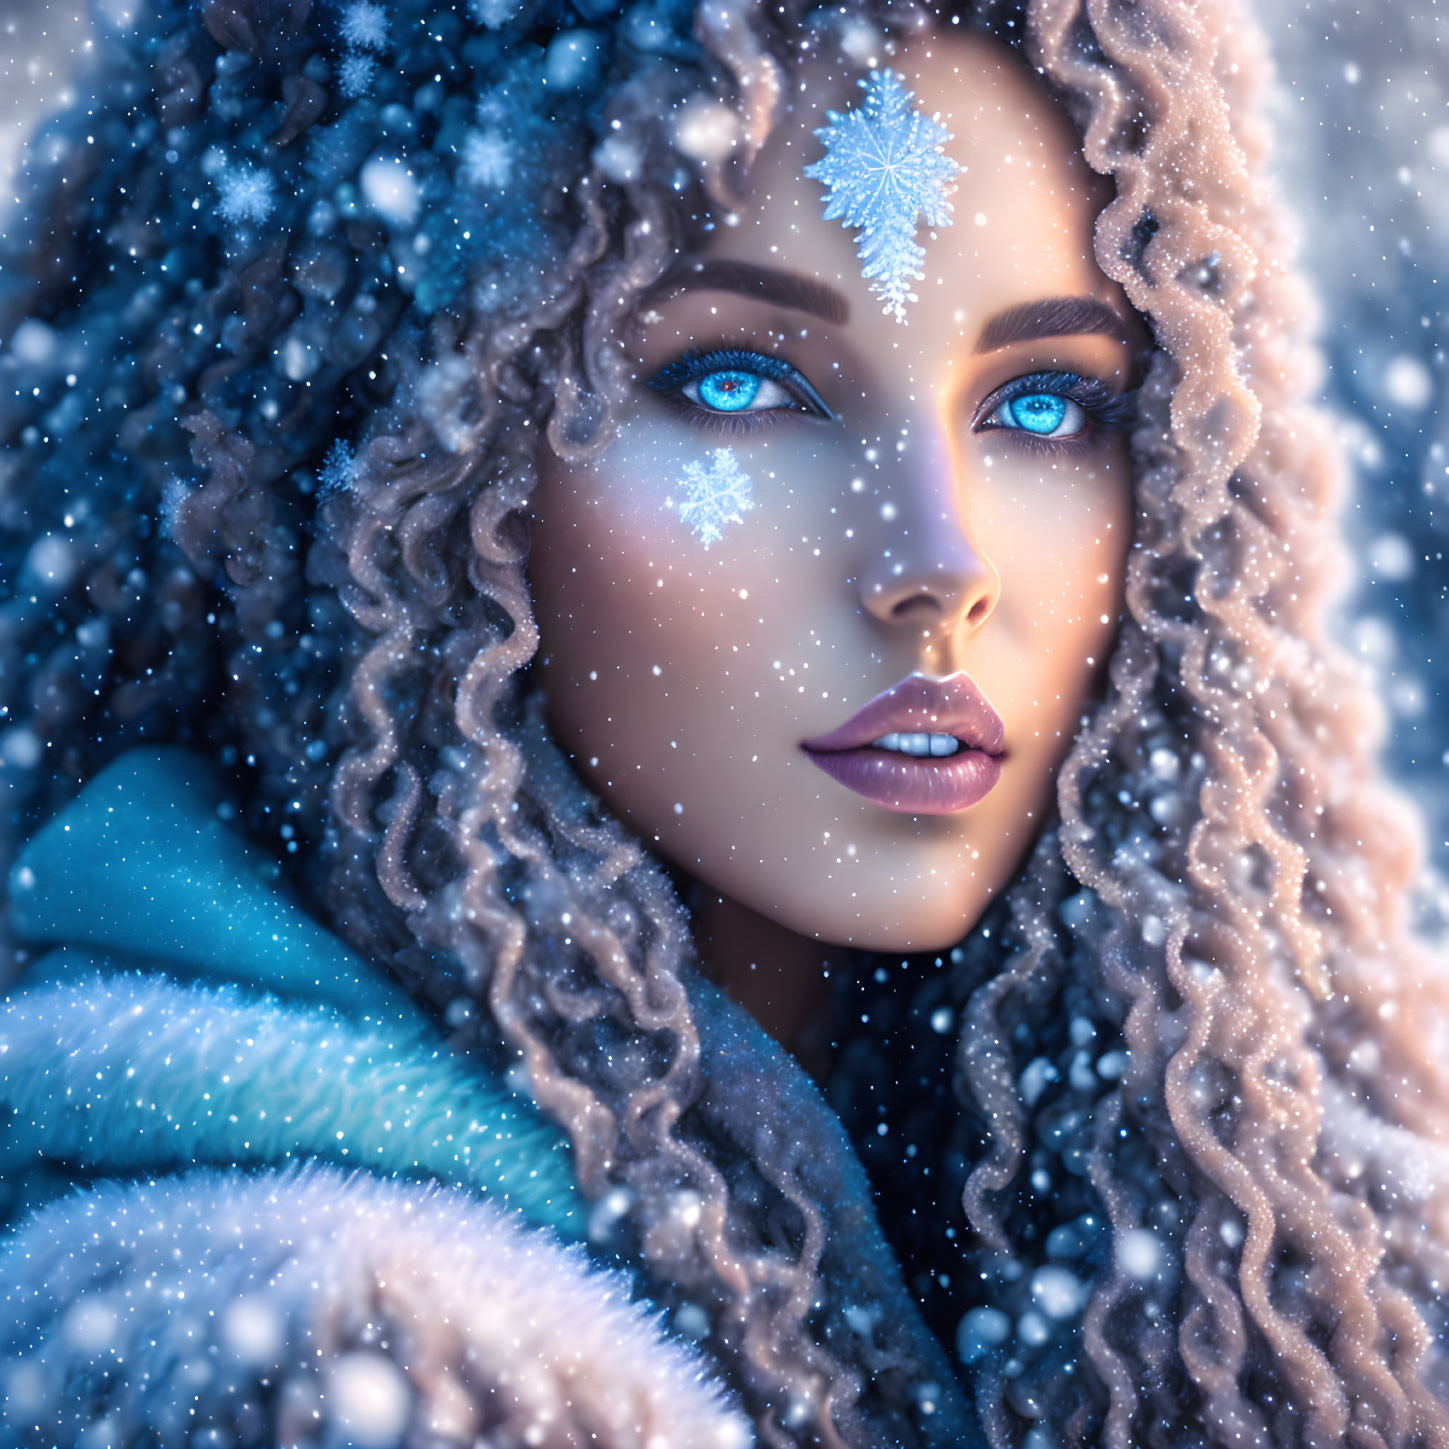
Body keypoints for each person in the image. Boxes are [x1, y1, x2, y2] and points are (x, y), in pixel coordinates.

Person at [2, 0, 1446, 1446]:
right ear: (378, 449)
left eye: (1045, 404)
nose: (939, 562)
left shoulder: (1252, 1241)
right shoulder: (331, 1374)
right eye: (738, 381)